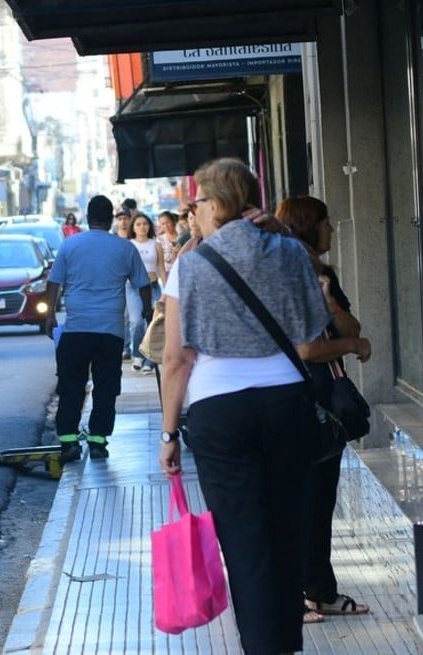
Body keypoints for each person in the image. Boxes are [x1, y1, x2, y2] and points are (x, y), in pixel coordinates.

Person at [159, 158, 331, 655]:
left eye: (198, 203)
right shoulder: (288, 252)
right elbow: (310, 323)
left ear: (215, 204)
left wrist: (170, 434)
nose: (194, 213)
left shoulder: (190, 264)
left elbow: (175, 358)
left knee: (244, 541)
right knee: (287, 531)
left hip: (219, 412)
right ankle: (286, 644)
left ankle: (263, 648)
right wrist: (280, 234)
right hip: (285, 403)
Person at [277, 196, 373, 625]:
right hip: (296, 402)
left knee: (320, 501)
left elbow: (352, 326)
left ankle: (320, 591)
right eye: (326, 223)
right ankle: (292, 595)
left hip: (325, 406)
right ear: (307, 226)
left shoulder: (321, 274)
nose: (332, 230)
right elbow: (308, 348)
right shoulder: (285, 275)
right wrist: (351, 346)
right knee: (297, 504)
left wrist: (332, 301)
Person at [44, 195, 151, 463]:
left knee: (71, 385)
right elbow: (143, 284)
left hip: (76, 329)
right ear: (111, 218)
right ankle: (98, 442)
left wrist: (48, 317)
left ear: (88, 217)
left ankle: (68, 442)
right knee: (106, 387)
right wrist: (148, 311)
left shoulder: (70, 245)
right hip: (110, 331)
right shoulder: (124, 248)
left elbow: (54, 282)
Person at [128, 214, 165, 374]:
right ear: (133, 227)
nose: (142, 227)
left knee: (153, 322)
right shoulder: (129, 245)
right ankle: (137, 354)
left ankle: (150, 361)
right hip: (133, 288)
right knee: (136, 322)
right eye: (138, 224)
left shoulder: (156, 245)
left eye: (145, 224)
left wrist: (168, 288)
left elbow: (161, 268)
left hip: (153, 287)